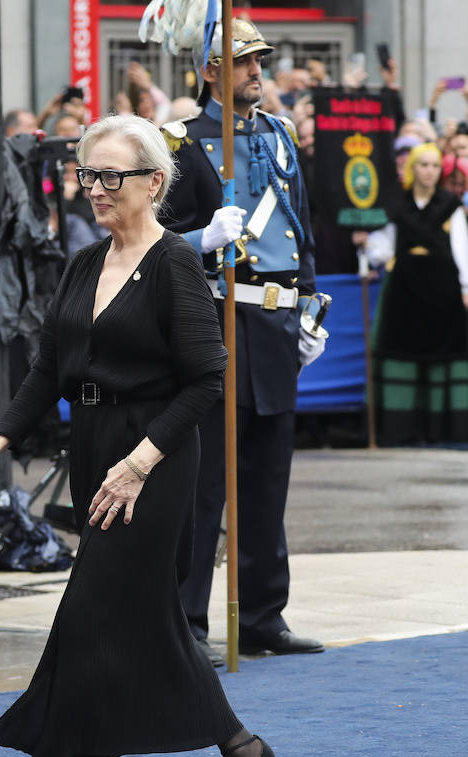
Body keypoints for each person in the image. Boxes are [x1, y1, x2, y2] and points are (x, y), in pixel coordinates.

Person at [0, 114, 274, 757]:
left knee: (89, 611)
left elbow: (207, 380)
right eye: (87, 175)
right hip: (97, 450)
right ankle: (243, 750)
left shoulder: (176, 263)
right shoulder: (82, 263)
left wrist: (140, 462)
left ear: (154, 184)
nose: (94, 188)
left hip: (153, 459)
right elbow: (44, 374)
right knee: (153, 622)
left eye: (111, 176)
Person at [159, 19, 324, 667]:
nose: (256, 70)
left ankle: (261, 615)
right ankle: (187, 620)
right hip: (217, 322)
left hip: (277, 326)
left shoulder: (279, 136)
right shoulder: (180, 142)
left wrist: (311, 306)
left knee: (266, 480)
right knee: (205, 484)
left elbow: (299, 230)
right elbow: (151, 240)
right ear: (208, 71)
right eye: (241, 61)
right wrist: (200, 239)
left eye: (259, 60)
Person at [359, 142, 468, 444]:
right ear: (412, 168)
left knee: (443, 355)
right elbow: (383, 247)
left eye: (434, 165)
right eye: (423, 164)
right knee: (402, 353)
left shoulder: (450, 204)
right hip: (404, 290)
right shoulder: (396, 203)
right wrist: (366, 244)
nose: (429, 171)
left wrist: (467, 286)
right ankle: (401, 430)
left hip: (444, 290)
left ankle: (442, 431)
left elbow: (462, 248)